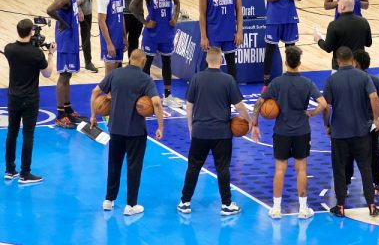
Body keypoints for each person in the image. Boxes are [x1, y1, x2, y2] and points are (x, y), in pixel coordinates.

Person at [253, 46, 326, 219]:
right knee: (301, 169)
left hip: (282, 131)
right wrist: (311, 113)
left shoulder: (277, 82)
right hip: (301, 131)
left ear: (286, 63)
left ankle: (276, 209)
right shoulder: (307, 83)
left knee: (280, 169)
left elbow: (258, 103)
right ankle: (302, 209)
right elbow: (323, 104)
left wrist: (254, 123)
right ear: (299, 63)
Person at [177, 48, 251, 216]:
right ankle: (226, 204)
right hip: (222, 134)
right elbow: (239, 107)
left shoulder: (196, 78)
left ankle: (185, 202)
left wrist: (190, 125)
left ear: (207, 60)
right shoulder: (228, 80)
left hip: (200, 132)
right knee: (222, 169)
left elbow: (189, 106)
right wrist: (250, 121)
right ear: (221, 60)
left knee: (193, 167)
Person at [89, 49, 164, 216]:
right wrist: (160, 126)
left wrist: (93, 115)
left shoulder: (115, 74)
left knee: (114, 165)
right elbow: (157, 103)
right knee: (134, 167)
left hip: (115, 129)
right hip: (136, 132)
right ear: (143, 62)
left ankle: (108, 200)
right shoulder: (146, 79)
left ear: (129, 59)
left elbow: (95, 92)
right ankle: (131, 205)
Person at [322, 47, 379, 218]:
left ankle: (340, 206)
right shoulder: (363, 77)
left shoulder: (332, 80)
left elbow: (326, 106)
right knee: (365, 168)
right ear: (352, 60)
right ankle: (371, 205)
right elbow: (374, 97)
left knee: (340, 169)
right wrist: (377, 119)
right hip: (361, 131)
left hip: (340, 133)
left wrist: (327, 124)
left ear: (338, 61)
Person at [3, 19, 55, 183]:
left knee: (12, 132)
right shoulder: (36, 54)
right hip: (30, 99)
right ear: (31, 32)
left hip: (13, 97)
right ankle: (25, 173)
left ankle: (10, 170)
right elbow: (47, 73)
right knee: (28, 135)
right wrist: (51, 54)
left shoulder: (9, 49)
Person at [129, 0, 182, 107]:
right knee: (147, 64)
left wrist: (175, 17)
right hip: (152, 33)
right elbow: (132, 5)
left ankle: (168, 95)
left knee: (167, 63)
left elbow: (177, 3)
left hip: (167, 32)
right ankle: (144, 94)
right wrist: (145, 23)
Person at [46, 0, 84, 129]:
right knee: (63, 76)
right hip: (66, 42)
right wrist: (63, 22)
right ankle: (60, 115)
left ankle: (67, 109)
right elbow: (50, 10)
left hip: (72, 41)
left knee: (68, 76)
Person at [345, 50, 379, 195]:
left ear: (356, 62)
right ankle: (378, 185)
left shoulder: (349, 79)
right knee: (374, 154)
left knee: (349, 154)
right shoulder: (375, 80)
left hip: (353, 124)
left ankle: (346, 185)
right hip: (371, 124)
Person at [263, 0, 302, 85]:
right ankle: (266, 82)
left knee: (291, 51)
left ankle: (291, 78)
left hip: (290, 16)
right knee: (270, 51)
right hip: (274, 17)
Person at [199, 0, 244, 79]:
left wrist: (239, 31)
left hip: (229, 32)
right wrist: (203, 36)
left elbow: (239, 10)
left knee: (231, 66)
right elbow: (202, 15)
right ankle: (204, 91)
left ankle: (232, 93)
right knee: (208, 66)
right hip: (213, 33)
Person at [314, 0, 372, 70]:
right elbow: (368, 43)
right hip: (358, 66)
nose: (337, 5)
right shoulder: (364, 22)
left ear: (342, 6)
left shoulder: (334, 25)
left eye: (338, 4)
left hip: (340, 66)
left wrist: (319, 40)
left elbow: (328, 48)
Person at [97, 0, 127, 75]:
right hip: (109, 40)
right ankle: (104, 93)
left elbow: (121, 16)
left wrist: (125, 37)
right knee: (109, 74)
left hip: (119, 39)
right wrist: (109, 44)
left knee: (117, 73)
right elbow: (101, 21)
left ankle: (114, 93)